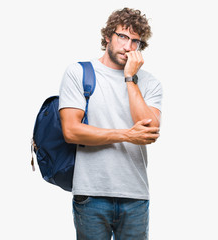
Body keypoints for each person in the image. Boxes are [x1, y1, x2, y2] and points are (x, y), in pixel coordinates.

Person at [59, 7, 162, 240]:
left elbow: (149, 130)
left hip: (135, 195)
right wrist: (126, 135)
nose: (128, 46)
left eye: (136, 41)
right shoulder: (79, 72)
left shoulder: (149, 83)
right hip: (91, 194)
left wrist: (129, 78)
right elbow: (71, 131)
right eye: (123, 36)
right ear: (108, 36)